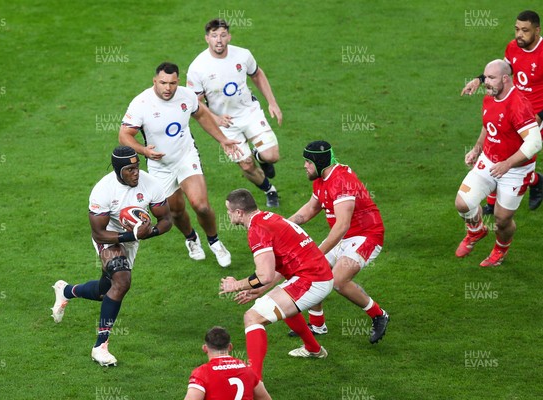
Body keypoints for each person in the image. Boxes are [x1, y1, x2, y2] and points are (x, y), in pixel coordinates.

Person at [51, 146, 173, 366]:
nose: (136, 173)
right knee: (122, 282)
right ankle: (100, 346)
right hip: (109, 238)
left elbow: (166, 220)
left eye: (137, 167)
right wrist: (133, 234)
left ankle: (67, 291)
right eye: (129, 170)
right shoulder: (103, 190)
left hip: (132, 238)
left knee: (104, 292)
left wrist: (149, 232)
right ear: (118, 170)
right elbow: (98, 232)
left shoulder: (151, 184)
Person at [119, 62, 240, 267]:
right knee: (174, 211)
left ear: (178, 82)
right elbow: (124, 135)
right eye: (163, 83)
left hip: (186, 156)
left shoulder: (187, 95)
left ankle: (215, 241)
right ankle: (191, 239)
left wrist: (222, 139)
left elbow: (201, 114)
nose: (168, 88)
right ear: (155, 81)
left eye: (173, 83)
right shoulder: (141, 103)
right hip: (160, 166)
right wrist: (145, 151)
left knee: (201, 205)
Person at [220, 189, 334, 380]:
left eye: (229, 210)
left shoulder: (257, 230)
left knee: (252, 317)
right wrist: (260, 290)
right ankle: (314, 349)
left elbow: (264, 275)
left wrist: (236, 285)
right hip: (313, 273)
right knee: (279, 303)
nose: (228, 214)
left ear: (239, 212)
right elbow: (280, 266)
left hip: (312, 280)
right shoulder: (267, 217)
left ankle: (254, 382)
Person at [287, 141, 389, 344]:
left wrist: (316, 253)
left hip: (366, 236)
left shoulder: (342, 181)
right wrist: (281, 226)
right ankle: (317, 325)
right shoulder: (322, 179)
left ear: (319, 161)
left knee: (338, 280)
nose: (304, 166)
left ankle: (379, 315)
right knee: (314, 272)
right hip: (344, 236)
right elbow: (309, 210)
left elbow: (342, 225)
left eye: (308, 162)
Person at [187, 18, 282, 208]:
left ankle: (259, 155)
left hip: (249, 112)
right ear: (207, 39)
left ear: (229, 36)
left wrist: (272, 102)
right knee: (246, 165)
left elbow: (257, 74)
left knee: (271, 156)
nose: (219, 40)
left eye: (223, 35)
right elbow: (193, 101)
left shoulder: (243, 55)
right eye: (214, 36)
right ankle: (270, 190)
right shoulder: (197, 67)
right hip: (225, 123)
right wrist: (216, 118)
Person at [455, 60, 542, 267]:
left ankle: (500, 250)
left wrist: (507, 164)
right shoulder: (490, 97)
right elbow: (488, 125)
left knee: (502, 219)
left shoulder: (517, 105)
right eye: (485, 78)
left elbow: (535, 142)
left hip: (516, 170)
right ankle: (476, 231)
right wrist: (477, 149)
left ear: (505, 78)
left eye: (491, 78)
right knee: (462, 203)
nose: (486, 83)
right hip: (489, 160)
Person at [461, 10, 543, 214]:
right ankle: (493, 200)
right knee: (498, 144)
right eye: (517, 29)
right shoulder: (513, 47)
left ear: (537, 30)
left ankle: (535, 181)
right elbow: (505, 69)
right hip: (513, 107)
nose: (519, 35)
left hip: (535, 115)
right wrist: (479, 80)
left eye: (525, 30)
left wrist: (539, 117)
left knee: (520, 158)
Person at [184, 326, 272, 400]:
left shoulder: (202, 373)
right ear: (230, 347)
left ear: (205, 348)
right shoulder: (247, 369)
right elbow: (265, 398)